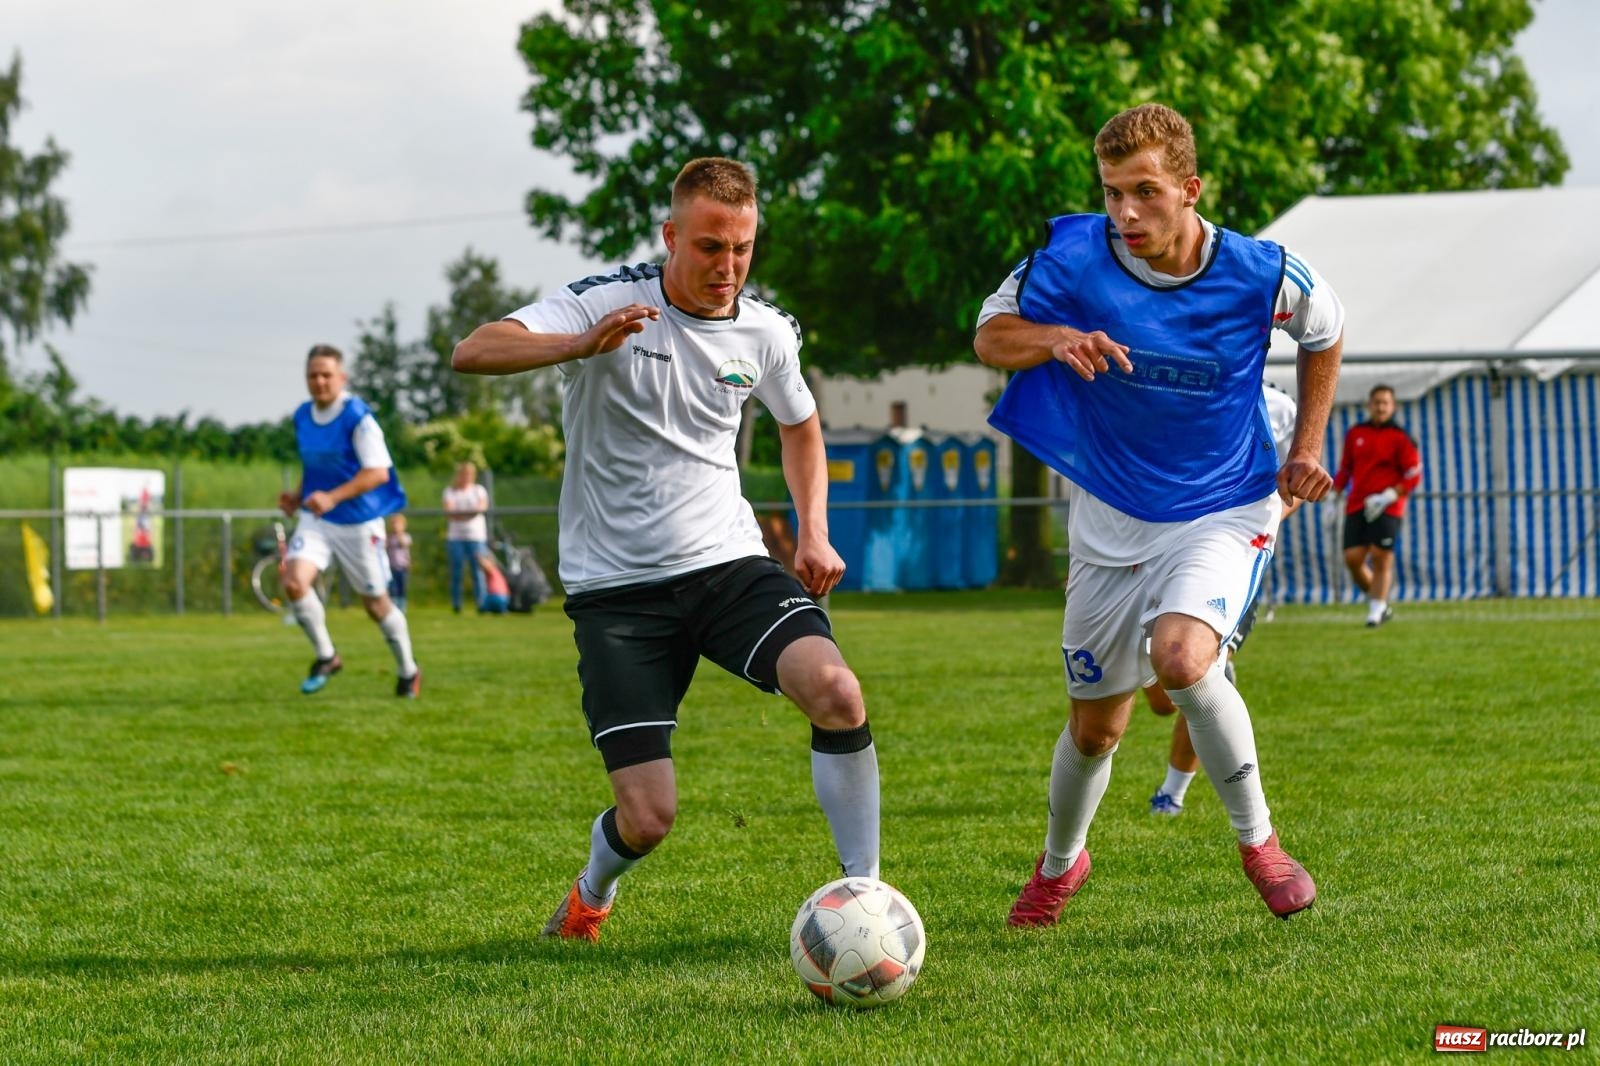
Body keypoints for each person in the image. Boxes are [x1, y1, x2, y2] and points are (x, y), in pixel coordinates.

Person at [452, 157, 879, 942]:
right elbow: (474, 350)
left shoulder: (766, 330)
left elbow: (801, 424)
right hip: (616, 592)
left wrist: (812, 530)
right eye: (710, 247)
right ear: (670, 235)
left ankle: (867, 900)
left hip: (727, 564)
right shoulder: (609, 301)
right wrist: (579, 346)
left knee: (837, 693)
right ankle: (590, 895)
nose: (728, 268)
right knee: (648, 819)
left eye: (743, 248)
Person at [974, 103, 1344, 922]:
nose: (1126, 213)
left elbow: (1328, 330)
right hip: (1109, 516)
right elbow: (990, 335)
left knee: (1181, 659)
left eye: (1145, 192)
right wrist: (1055, 337)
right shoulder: (1072, 258)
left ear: (1189, 188)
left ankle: (1261, 845)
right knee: (1096, 730)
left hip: (1224, 500)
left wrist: (1306, 448)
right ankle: (1061, 865)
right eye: (1111, 193)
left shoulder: (1262, 271)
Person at [1147, 383, 1299, 816]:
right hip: (1157, 550)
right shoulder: (1181, 383)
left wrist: (1262, 523)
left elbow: (1300, 478)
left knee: (1203, 674)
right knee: (1162, 698)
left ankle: (1172, 795)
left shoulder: (1281, 406)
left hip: (1230, 556)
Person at [277, 344, 421, 698]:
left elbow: (378, 474)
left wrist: (333, 496)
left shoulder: (358, 417)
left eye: (327, 374)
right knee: (294, 582)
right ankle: (327, 656)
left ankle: (408, 671)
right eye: (313, 375)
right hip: (317, 520)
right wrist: (299, 495)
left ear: (342, 377)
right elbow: (317, 469)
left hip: (358, 521)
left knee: (375, 605)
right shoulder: (302, 416)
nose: (320, 381)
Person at [1331, 384, 1422, 627]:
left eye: (1385, 403)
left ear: (1393, 407)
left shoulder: (1401, 438)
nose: (1381, 407)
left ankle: (1375, 611)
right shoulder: (1355, 433)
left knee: (1381, 556)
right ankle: (1380, 602)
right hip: (1357, 504)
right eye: (1377, 402)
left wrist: (1390, 495)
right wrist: (1333, 496)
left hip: (1388, 506)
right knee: (1353, 558)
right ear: (1369, 405)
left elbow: (1413, 474)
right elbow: (1345, 468)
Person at [442, 461, 491, 613]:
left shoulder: (479, 490)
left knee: (478, 572)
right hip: (455, 537)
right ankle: (457, 604)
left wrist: (461, 514)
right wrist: (470, 513)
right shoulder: (450, 491)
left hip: (476, 537)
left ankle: (482, 603)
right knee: (457, 572)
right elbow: (450, 512)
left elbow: (481, 508)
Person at [385, 513, 412, 613]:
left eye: (398, 524)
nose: (396, 527)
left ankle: (402, 606)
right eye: (394, 524)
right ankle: (393, 607)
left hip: (402, 567)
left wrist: (399, 534)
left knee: (402, 587)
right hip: (392, 567)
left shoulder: (405, 537)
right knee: (393, 588)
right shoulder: (389, 538)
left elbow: (403, 544)